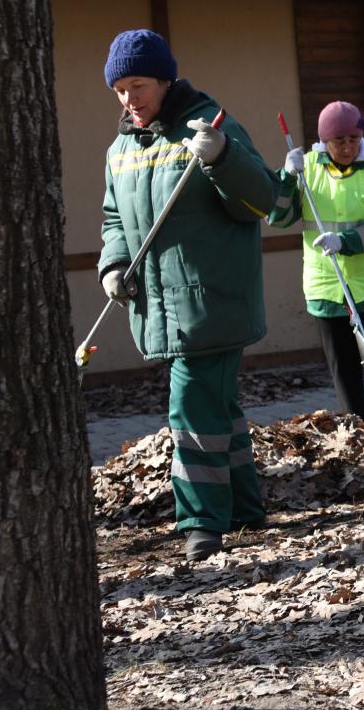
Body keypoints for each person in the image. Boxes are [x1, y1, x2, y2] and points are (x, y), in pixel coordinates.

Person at [97, 29, 279, 562]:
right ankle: (245, 507)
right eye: (120, 89)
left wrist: (223, 157)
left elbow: (261, 199)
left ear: (165, 79)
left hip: (213, 301)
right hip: (159, 305)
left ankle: (201, 522)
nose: (130, 99)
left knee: (190, 407)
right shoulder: (122, 147)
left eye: (139, 85)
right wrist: (112, 264)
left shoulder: (209, 126)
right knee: (218, 405)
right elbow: (115, 217)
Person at [270, 101, 364, 417]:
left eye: (353, 139)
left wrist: (343, 242)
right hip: (327, 288)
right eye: (339, 141)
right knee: (343, 369)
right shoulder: (305, 168)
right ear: (324, 140)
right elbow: (278, 217)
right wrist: (286, 179)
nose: (347, 147)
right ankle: (359, 437)